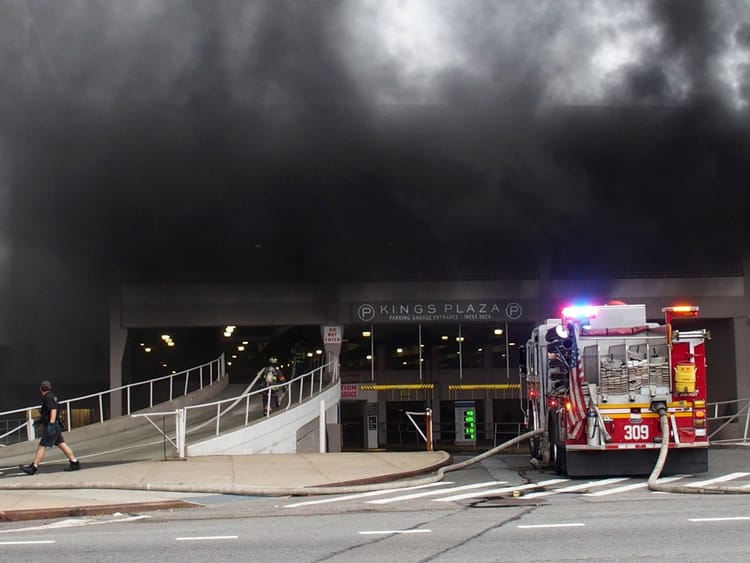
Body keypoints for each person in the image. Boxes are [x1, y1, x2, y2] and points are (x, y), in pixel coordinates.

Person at [20, 380, 81, 475]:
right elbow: (49, 412)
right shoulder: (52, 397)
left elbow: (53, 410)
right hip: (55, 424)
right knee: (61, 444)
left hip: (52, 425)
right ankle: (74, 462)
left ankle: (33, 467)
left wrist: (51, 424)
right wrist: (41, 421)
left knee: (42, 445)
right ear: (50, 387)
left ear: (40, 389)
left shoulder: (48, 398)